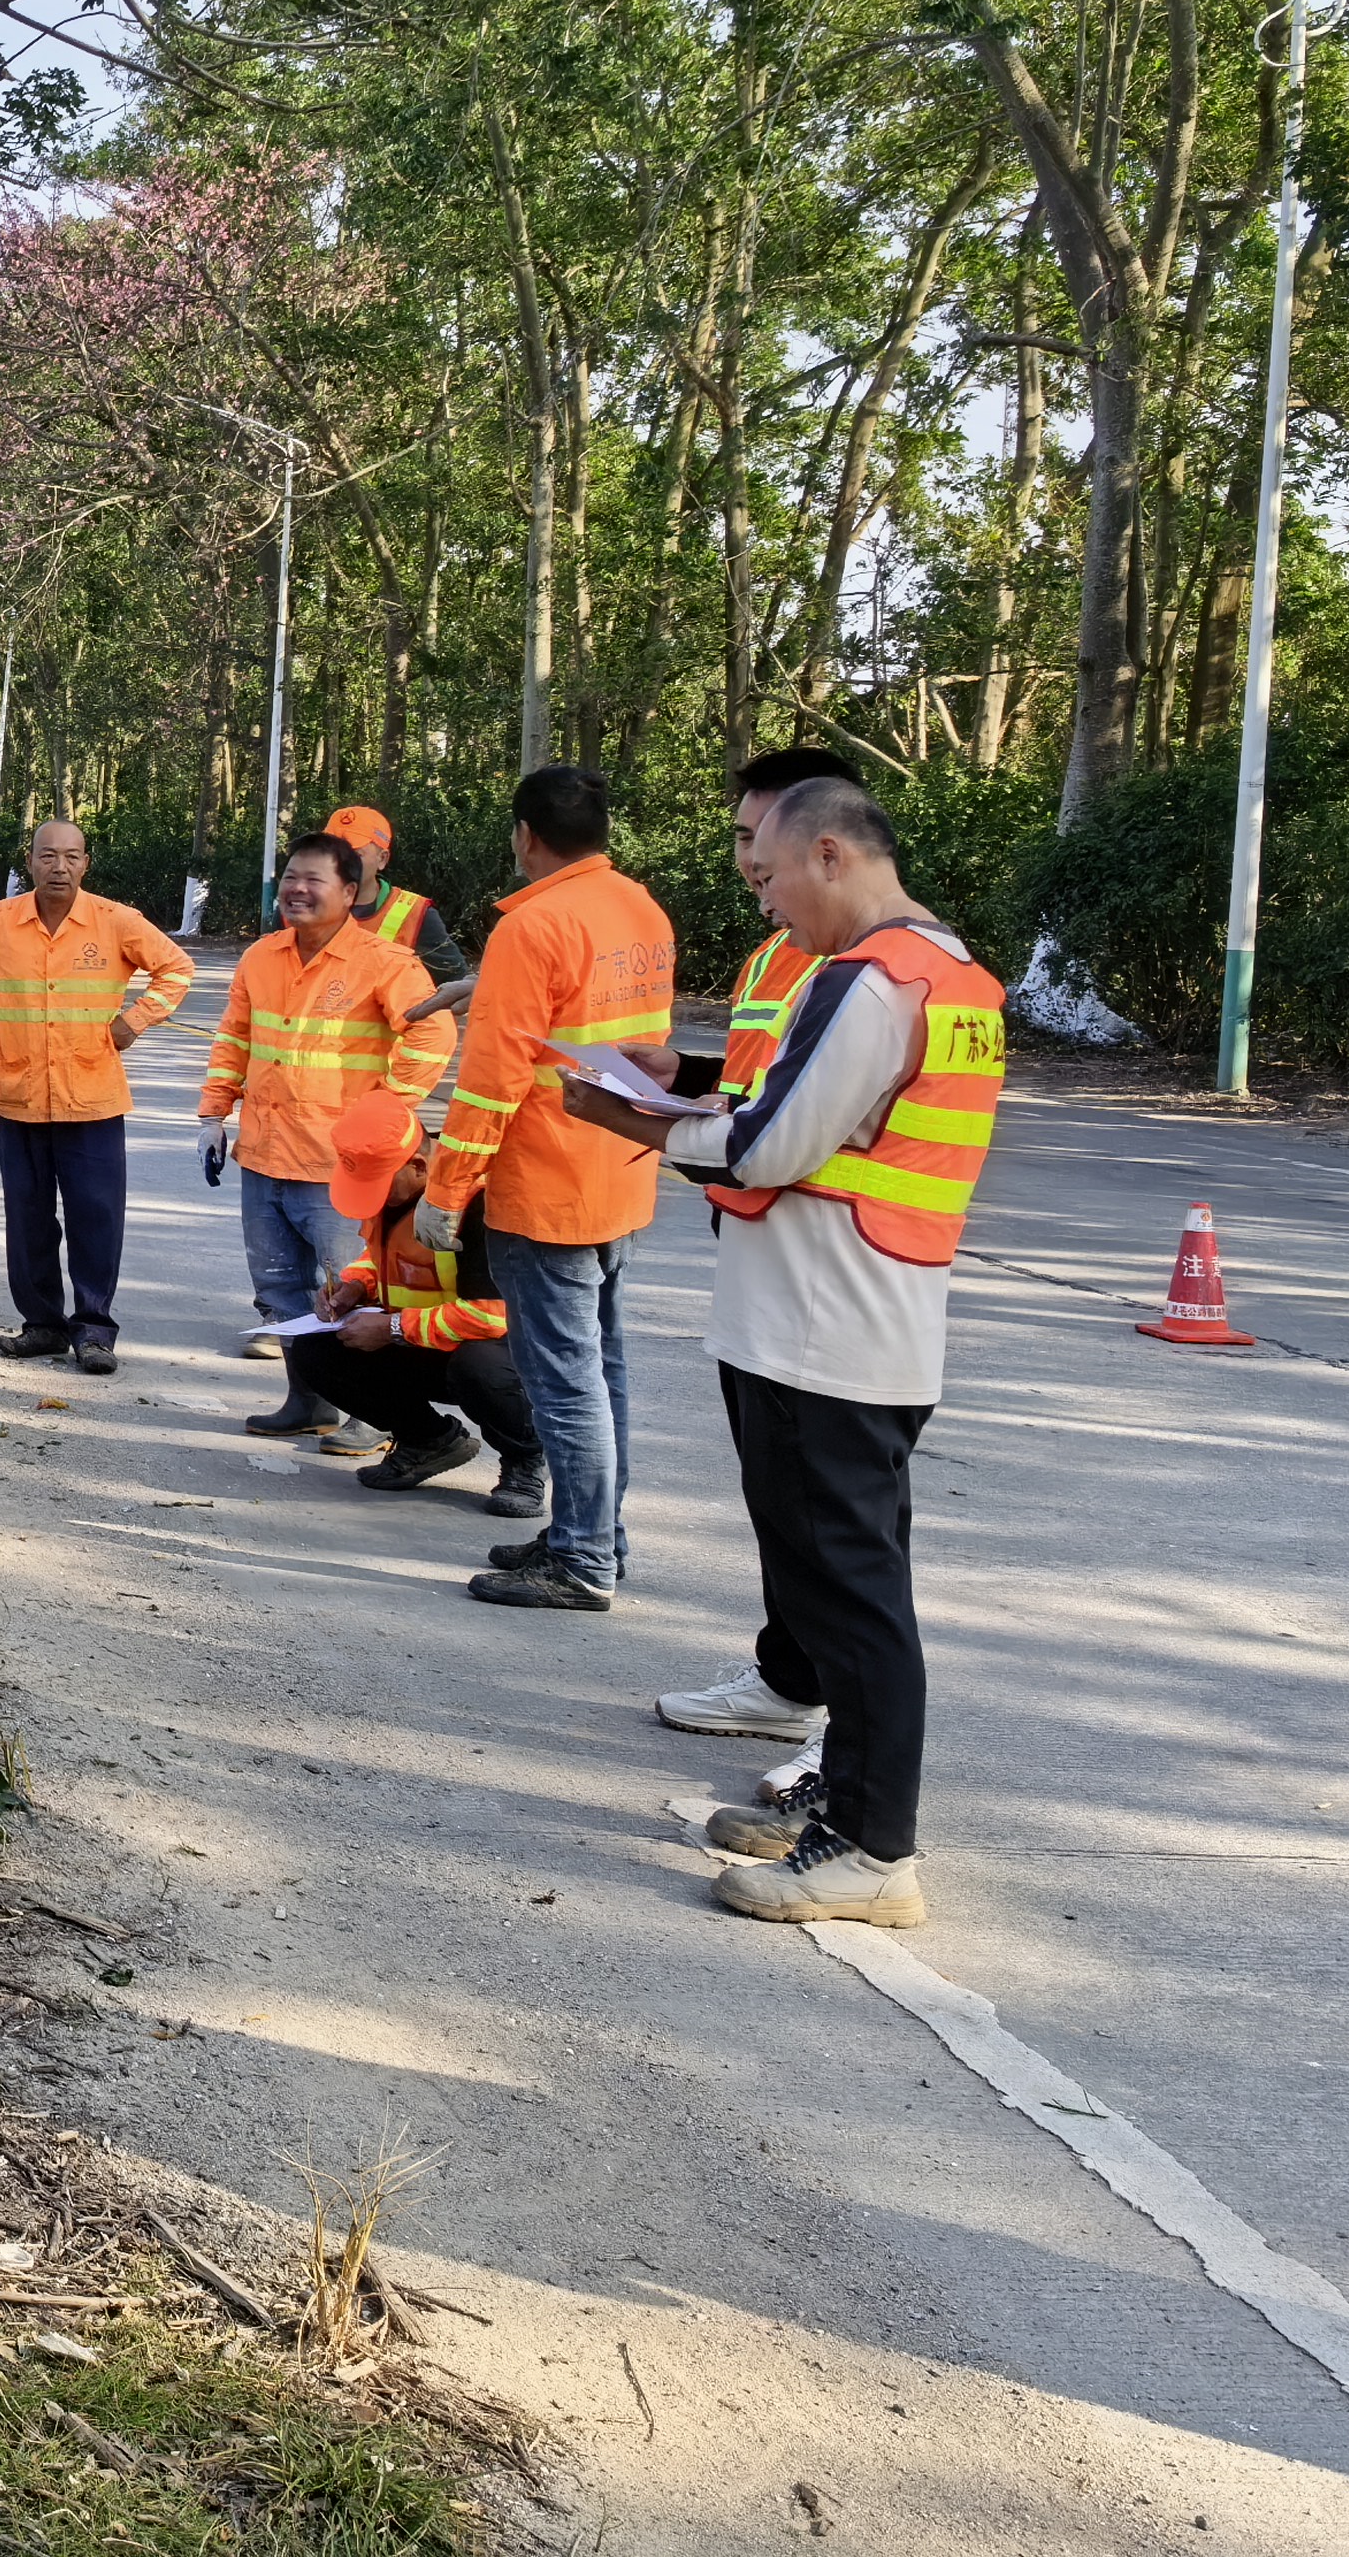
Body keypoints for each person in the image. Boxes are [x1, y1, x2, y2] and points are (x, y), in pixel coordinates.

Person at [561, 778, 1001, 1926]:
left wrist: (634, 1124)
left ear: (834, 855)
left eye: (769, 877)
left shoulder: (871, 978)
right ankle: (844, 1806)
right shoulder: (943, 972)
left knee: (849, 1600)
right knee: (836, 1589)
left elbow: (771, 1145)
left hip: (824, 1328)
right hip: (860, 1316)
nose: (768, 906)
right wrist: (689, 1091)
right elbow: (812, 1107)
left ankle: (870, 1850)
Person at [417, 764, 677, 1612]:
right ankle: (596, 1537)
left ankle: (583, 1561)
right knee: (604, 1371)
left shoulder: (534, 926)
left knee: (565, 1381)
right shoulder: (638, 908)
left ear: (524, 835)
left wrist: (446, 1192)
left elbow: (491, 1083)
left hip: (548, 1181)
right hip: (619, 1170)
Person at [651, 748, 867, 1758]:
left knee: (830, 1523)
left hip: (831, 1272)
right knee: (774, 1496)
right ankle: (790, 1676)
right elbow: (761, 1086)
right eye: (739, 839)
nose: (746, 864)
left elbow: (800, 1122)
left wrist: (656, 1128)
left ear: (820, 840)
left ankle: (843, 1737)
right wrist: (678, 1073)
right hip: (754, 1241)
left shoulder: (859, 963)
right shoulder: (776, 954)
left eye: (757, 842)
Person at [197, 832, 447, 1441]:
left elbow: (432, 1034)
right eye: (290, 877)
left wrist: (384, 1118)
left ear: (351, 891)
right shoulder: (262, 957)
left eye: (313, 880)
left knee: (355, 1290)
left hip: (339, 1166)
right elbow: (234, 1040)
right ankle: (308, 1399)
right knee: (281, 1288)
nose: (297, 890)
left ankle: (376, 1414)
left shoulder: (386, 964)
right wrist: (213, 1115)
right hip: (264, 1154)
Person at [0, 817, 194, 1376]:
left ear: (86, 864)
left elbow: (176, 968)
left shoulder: (115, 920)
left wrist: (134, 1021)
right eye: (48, 856)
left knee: (95, 1218)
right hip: (20, 1094)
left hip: (92, 1098)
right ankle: (43, 1326)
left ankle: (94, 1330)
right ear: (29, 862)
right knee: (27, 1218)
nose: (60, 867)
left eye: (72, 857)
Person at [292, 1089, 542, 1512]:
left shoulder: (480, 1202)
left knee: (480, 1368)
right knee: (316, 1350)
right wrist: (356, 1287)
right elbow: (384, 1260)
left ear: (419, 1167)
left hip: (493, 1349)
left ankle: (525, 1460)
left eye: (377, 1185)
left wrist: (391, 1329)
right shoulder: (397, 1192)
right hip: (424, 1339)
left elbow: (496, 1314)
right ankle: (429, 1441)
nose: (371, 1196)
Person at [323, 805, 472, 1001]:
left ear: (382, 859)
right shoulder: (294, 910)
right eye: (329, 851)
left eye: (355, 854)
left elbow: (457, 985)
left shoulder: (416, 915)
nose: (339, 861)